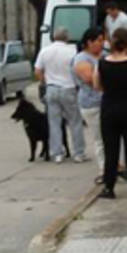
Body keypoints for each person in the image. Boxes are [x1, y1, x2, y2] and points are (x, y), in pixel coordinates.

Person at [93, 28, 127, 199]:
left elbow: (97, 86)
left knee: (111, 149)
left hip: (109, 107)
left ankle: (109, 186)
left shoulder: (101, 64)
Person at [35, 28, 87, 163]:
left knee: (54, 123)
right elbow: (77, 70)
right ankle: (78, 153)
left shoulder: (45, 51)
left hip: (51, 89)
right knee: (74, 122)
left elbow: (38, 70)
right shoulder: (72, 51)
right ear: (67, 38)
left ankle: (57, 153)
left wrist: (45, 82)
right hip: (68, 88)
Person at [73, 29, 107, 183]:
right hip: (91, 103)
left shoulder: (104, 55)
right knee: (100, 137)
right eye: (99, 40)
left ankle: (116, 165)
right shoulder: (81, 59)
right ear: (89, 42)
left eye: (103, 40)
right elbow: (90, 79)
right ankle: (104, 168)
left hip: (108, 100)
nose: (102, 44)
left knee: (112, 136)